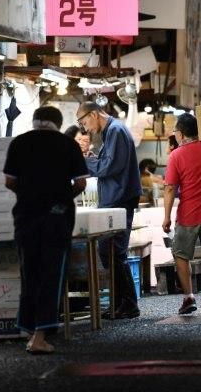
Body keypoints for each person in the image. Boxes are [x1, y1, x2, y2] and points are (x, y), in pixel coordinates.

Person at [4, 106, 88, 354]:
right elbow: (81, 183)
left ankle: (29, 330)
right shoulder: (67, 145)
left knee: (29, 273)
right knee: (51, 274)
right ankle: (40, 336)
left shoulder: (19, 143)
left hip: (26, 218)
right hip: (56, 218)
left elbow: (9, 181)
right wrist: (59, 197)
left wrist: (30, 195)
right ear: (58, 123)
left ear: (34, 121)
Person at [76, 101, 142, 319]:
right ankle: (120, 303)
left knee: (113, 252)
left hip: (119, 198)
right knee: (110, 252)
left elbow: (109, 166)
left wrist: (83, 163)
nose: (86, 129)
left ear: (94, 114)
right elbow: (107, 163)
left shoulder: (115, 131)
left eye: (85, 122)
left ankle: (128, 304)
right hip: (115, 197)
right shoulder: (112, 131)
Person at [162, 114, 201, 317]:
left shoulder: (176, 156)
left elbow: (170, 188)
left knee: (181, 255)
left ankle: (189, 297)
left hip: (188, 215)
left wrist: (166, 216)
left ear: (180, 133)